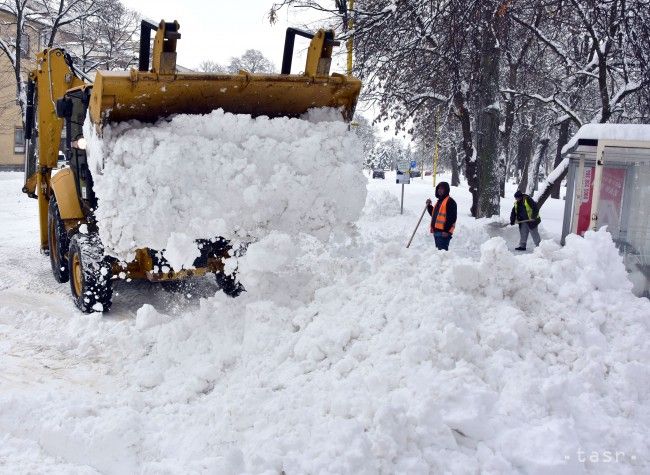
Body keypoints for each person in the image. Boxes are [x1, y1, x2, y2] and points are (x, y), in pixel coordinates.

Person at [426, 181, 457, 251]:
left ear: (446, 190)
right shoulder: (440, 202)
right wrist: (429, 206)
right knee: (439, 255)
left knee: (442, 255)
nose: (439, 190)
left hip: (443, 233)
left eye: (442, 189)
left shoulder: (450, 202)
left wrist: (446, 231)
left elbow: (452, 218)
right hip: (437, 232)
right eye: (438, 188)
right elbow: (434, 215)